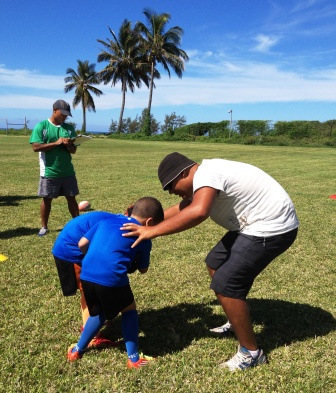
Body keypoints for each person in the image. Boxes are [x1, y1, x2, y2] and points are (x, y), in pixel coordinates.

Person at [121, 152, 299, 371]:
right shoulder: (206, 176)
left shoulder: (207, 173)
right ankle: (236, 322)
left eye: (171, 185)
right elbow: (183, 208)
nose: (171, 192)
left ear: (184, 172)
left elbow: (198, 211)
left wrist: (152, 232)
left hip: (272, 226)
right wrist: (143, 223)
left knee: (226, 284)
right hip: (253, 224)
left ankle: (251, 353)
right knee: (215, 263)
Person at [67, 197, 164, 369]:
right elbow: (143, 269)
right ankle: (133, 359)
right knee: (129, 310)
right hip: (111, 278)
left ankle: (77, 350)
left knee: (99, 312)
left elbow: (82, 244)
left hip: (87, 274)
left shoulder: (107, 220)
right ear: (149, 223)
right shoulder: (143, 237)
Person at [29, 99, 79, 236]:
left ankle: (78, 225)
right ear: (54, 110)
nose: (64, 116)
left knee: (72, 198)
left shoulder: (68, 128)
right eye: (62, 113)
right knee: (47, 199)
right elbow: (36, 147)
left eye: (66, 114)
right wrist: (57, 143)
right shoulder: (42, 126)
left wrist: (68, 145)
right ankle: (44, 227)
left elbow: (73, 150)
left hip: (67, 171)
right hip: (49, 171)